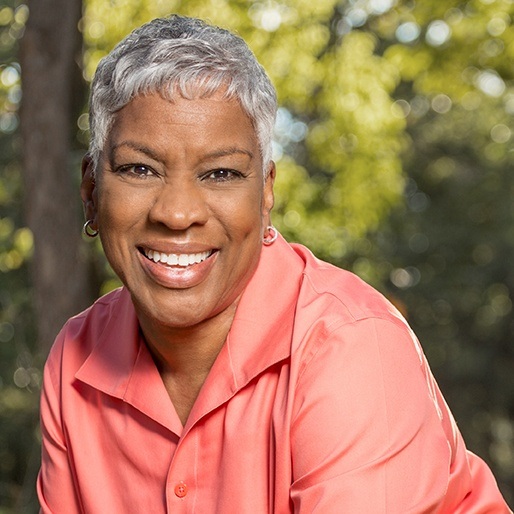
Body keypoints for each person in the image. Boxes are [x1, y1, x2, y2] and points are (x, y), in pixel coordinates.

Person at [37, 14, 511, 513]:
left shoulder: (351, 345)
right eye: (140, 169)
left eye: (220, 173)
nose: (177, 214)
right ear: (91, 193)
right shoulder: (75, 359)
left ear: (265, 194)